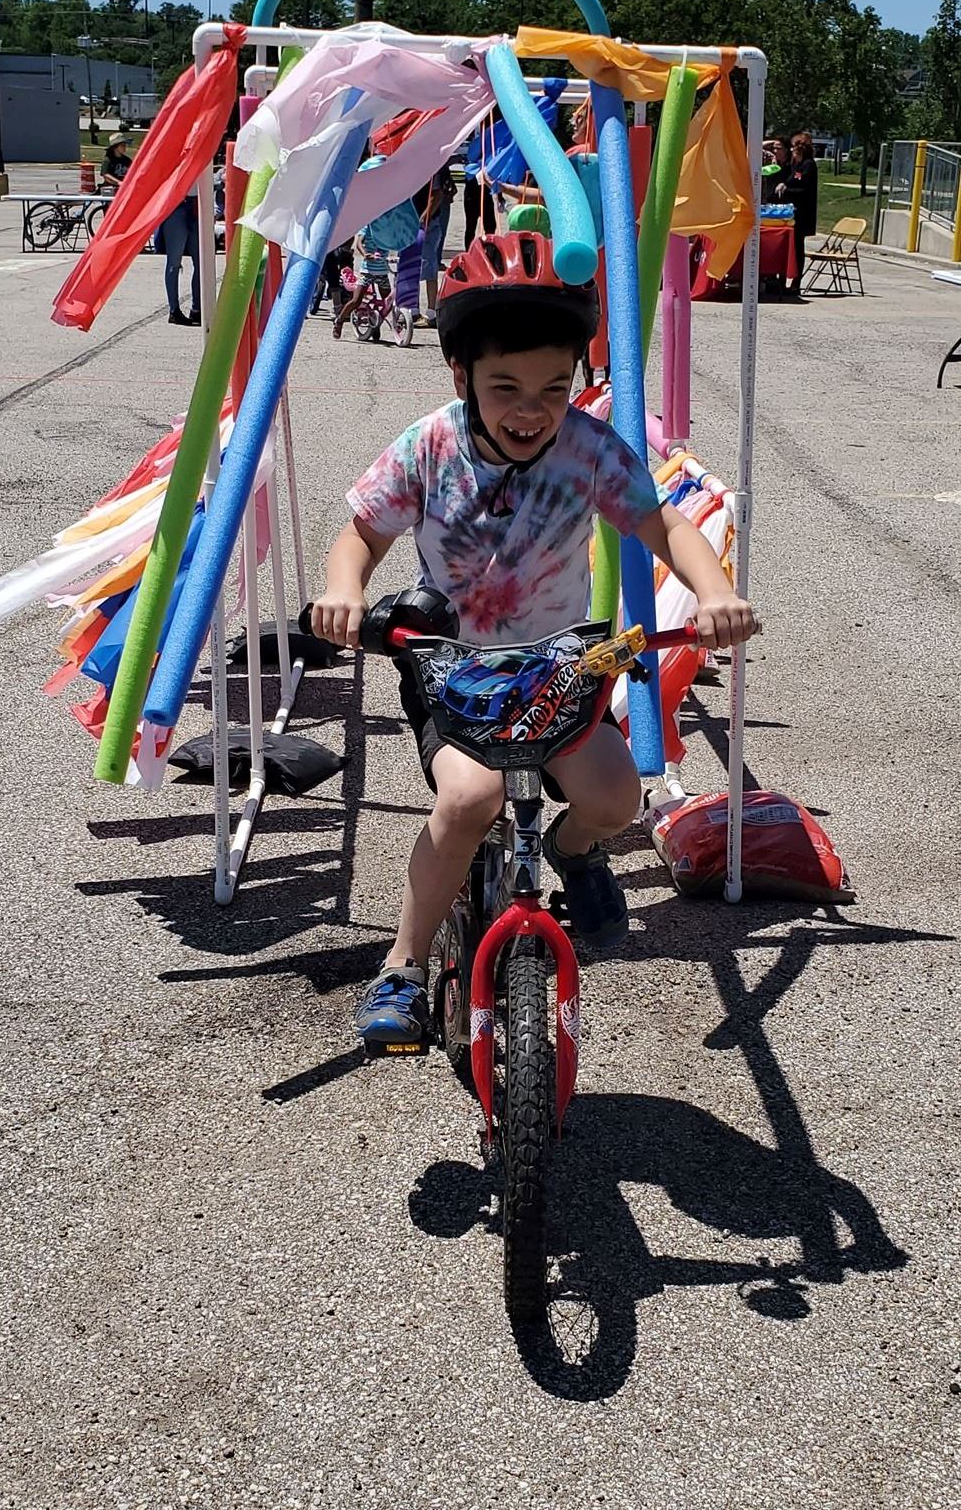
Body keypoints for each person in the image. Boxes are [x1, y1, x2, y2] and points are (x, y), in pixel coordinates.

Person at [311, 231, 760, 1049]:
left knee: (615, 799)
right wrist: (344, 591)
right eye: (505, 386)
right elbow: (359, 537)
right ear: (461, 376)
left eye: (555, 387)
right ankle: (403, 967)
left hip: (560, 665)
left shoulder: (587, 449)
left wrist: (715, 590)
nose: (531, 409)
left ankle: (573, 851)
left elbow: (662, 523)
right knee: (469, 800)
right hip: (451, 670)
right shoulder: (429, 446)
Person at [411, 164, 456, 328]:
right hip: (414, 222)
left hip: (427, 224)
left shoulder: (431, 167)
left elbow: (436, 195)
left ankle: (431, 313)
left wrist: (424, 218)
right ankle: (413, 310)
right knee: (413, 265)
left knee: (428, 266)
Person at [776, 131, 818, 296]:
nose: (792, 150)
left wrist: (787, 190)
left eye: (794, 147)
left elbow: (805, 190)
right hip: (788, 212)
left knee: (798, 248)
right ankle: (781, 279)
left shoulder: (809, 165)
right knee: (786, 246)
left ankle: (796, 282)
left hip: (802, 214)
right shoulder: (794, 166)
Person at [332, 226, 390, 339]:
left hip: (382, 271)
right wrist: (365, 254)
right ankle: (339, 321)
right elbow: (359, 243)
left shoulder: (387, 227)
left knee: (387, 304)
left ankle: (376, 324)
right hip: (367, 271)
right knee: (356, 300)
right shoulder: (368, 227)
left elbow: (395, 241)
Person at [155, 187, 201, 325]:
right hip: (177, 206)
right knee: (174, 262)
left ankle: (197, 309)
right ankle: (174, 310)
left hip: (198, 205)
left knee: (201, 263)